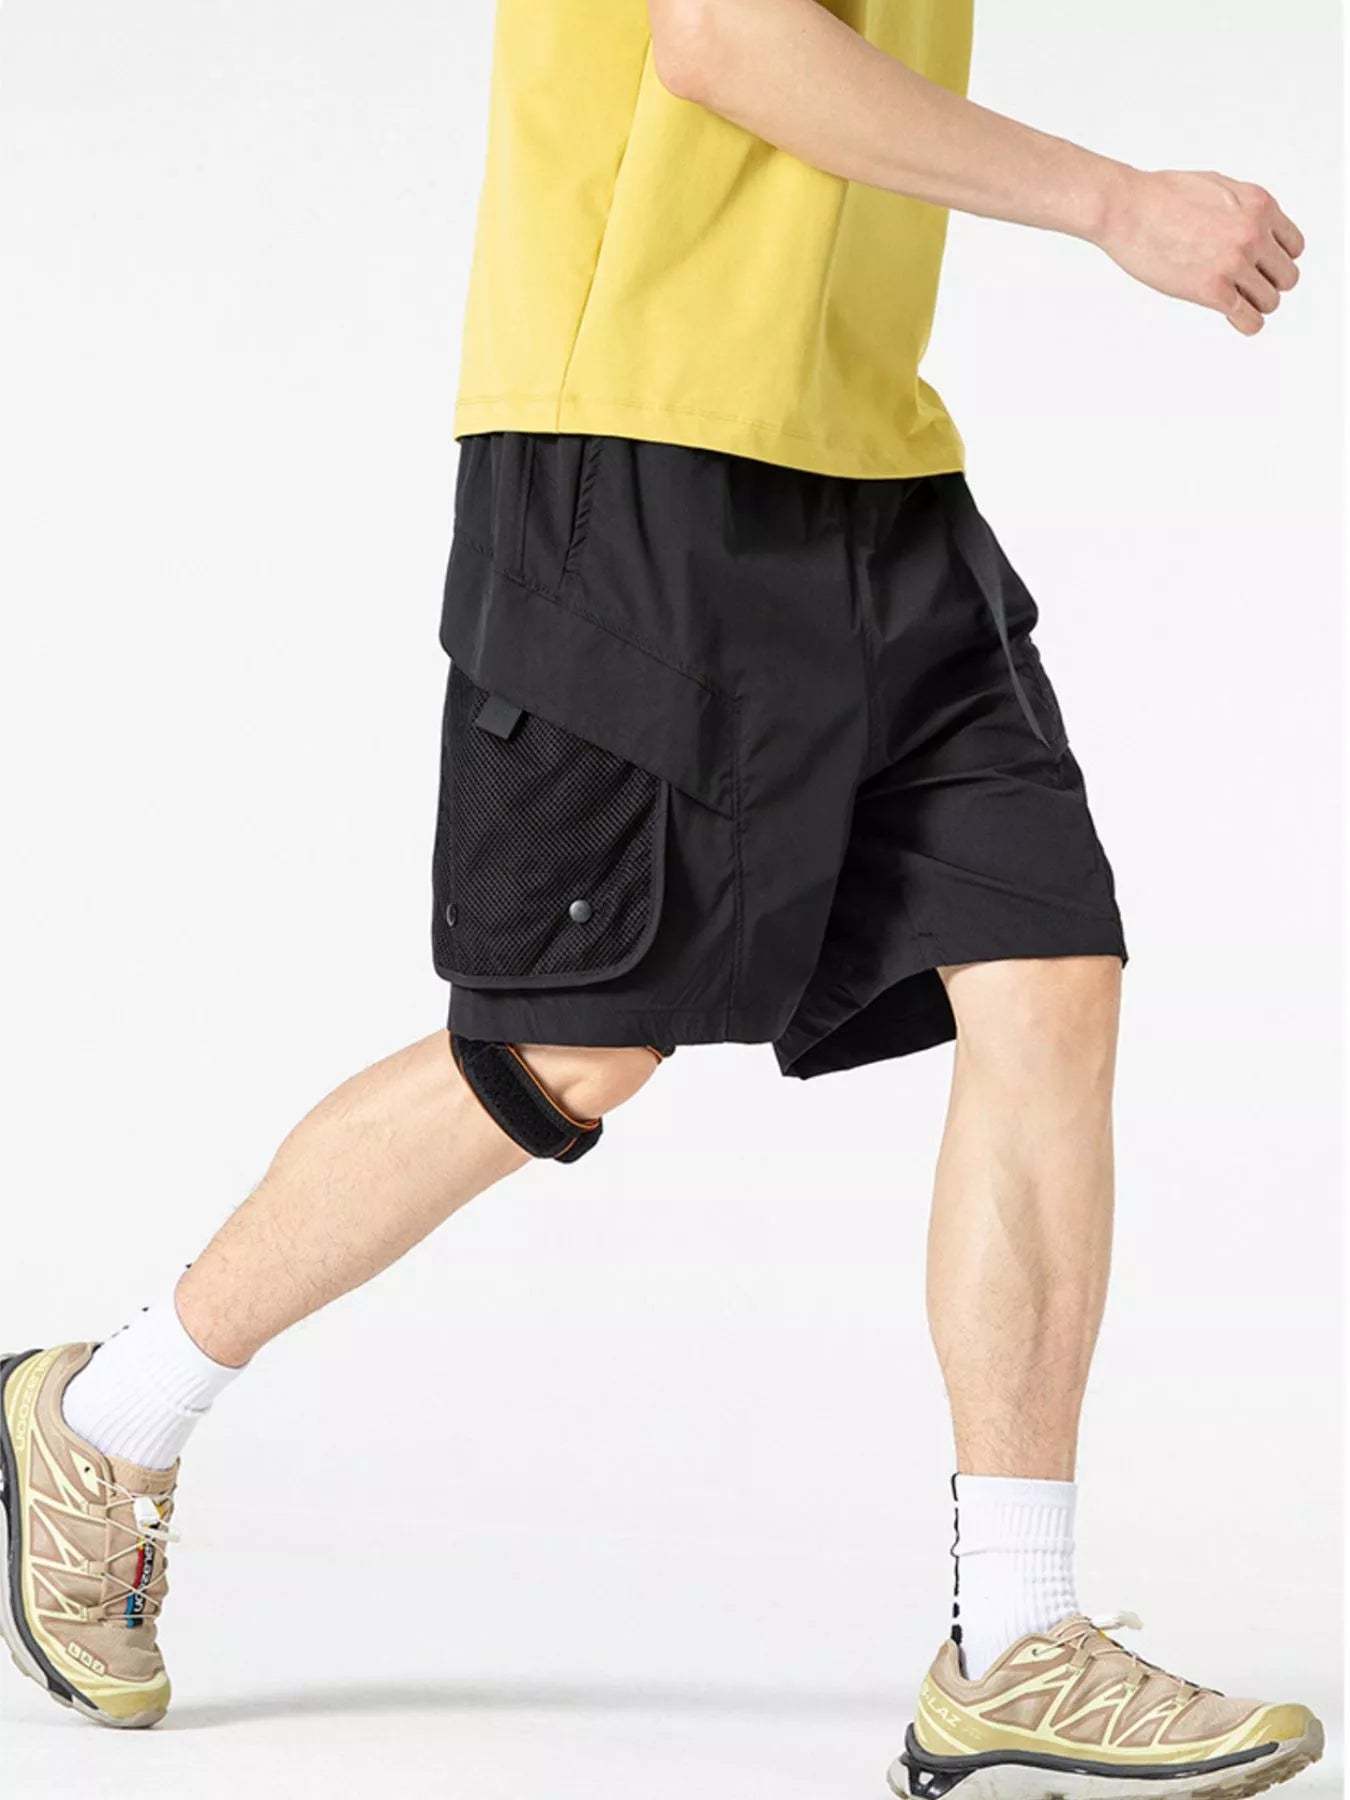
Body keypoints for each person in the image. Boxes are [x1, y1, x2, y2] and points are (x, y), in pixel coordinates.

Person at [1, 1, 1320, 1792]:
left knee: (1045, 968)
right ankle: (106, 1415)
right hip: (628, 450)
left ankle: (1015, 1638)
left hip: (873, 462)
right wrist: (1111, 202)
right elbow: (719, 37)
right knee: (574, 1046)